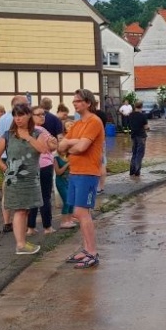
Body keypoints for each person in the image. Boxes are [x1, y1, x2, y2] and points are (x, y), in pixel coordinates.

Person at [0, 103, 57, 255]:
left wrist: (28, 137)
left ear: (28, 115)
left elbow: (43, 149)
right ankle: (20, 244)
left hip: (31, 178)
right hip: (14, 178)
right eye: (15, 116)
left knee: (26, 210)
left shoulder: (36, 133)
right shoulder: (8, 135)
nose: (17, 119)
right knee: (20, 210)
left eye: (20, 115)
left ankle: (22, 241)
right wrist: (5, 169)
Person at [57, 89, 105, 269]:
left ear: (88, 103)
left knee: (82, 212)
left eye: (77, 101)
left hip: (88, 172)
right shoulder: (76, 124)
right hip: (75, 172)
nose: (74, 104)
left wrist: (69, 145)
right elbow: (61, 146)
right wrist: (70, 144)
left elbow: (83, 147)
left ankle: (92, 252)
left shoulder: (94, 121)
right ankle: (86, 249)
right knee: (78, 213)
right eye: (74, 101)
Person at [0, 95, 28, 233]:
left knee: (6, 190)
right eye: (25, 104)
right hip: (13, 157)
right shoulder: (15, 119)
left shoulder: (2, 118)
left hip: (3, 156)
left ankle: (6, 221)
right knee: (19, 190)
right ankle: (20, 221)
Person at [26, 107, 57, 236]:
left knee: (33, 196)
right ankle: (47, 226)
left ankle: (30, 227)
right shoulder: (41, 131)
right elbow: (52, 146)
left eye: (43, 114)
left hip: (32, 166)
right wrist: (54, 142)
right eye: (38, 114)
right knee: (45, 196)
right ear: (31, 116)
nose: (42, 116)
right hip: (44, 165)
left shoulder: (28, 131)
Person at [54, 149, 75, 229]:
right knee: (67, 201)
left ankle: (69, 219)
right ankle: (63, 221)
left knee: (72, 201)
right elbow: (58, 172)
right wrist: (67, 164)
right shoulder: (56, 159)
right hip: (61, 182)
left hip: (69, 181)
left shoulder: (69, 157)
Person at [127, 100, 150, 176]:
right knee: (140, 154)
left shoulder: (130, 115)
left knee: (134, 153)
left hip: (133, 136)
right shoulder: (143, 116)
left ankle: (131, 170)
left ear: (134, 106)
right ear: (141, 106)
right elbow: (146, 127)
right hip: (141, 136)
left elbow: (129, 125)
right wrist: (148, 128)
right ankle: (137, 171)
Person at [95, 102, 108, 194]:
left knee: (101, 163)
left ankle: (100, 187)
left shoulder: (94, 115)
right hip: (102, 140)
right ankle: (101, 186)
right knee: (102, 162)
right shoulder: (102, 114)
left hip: (97, 141)